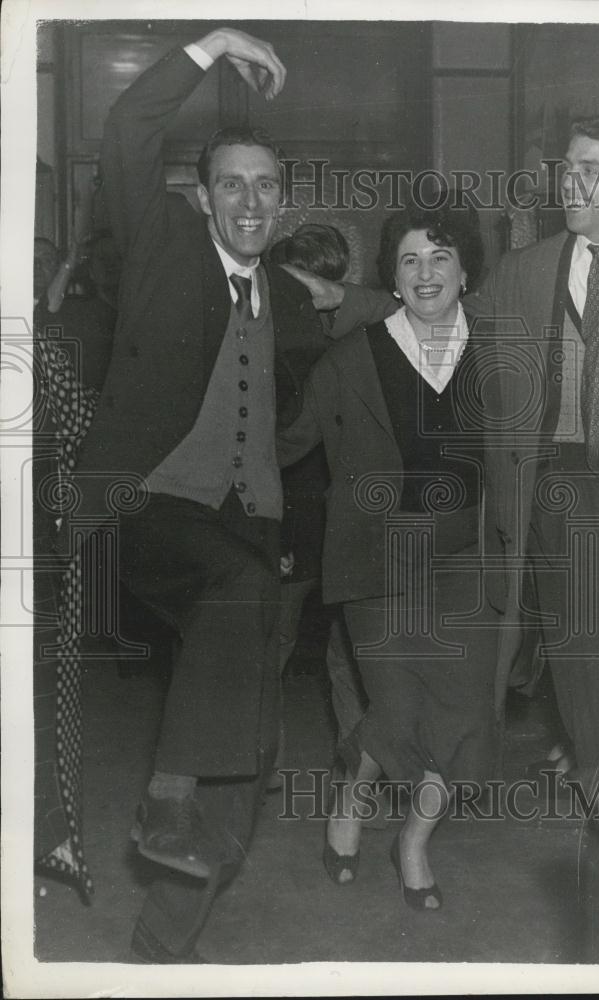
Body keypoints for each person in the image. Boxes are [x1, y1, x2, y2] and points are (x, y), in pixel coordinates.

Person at [288, 115, 599, 773]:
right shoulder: (523, 275)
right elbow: (434, 303)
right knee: (596, 716)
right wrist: (343, 298)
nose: (572, 182)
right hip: (559, 509)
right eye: (568, 167)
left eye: (593, 170)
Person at [63, 27, 327, 962]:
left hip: (241, 524)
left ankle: (162, 940)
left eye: (265, 187)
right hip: (144, 503)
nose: (249, 200)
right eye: (231, 184)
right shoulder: (162, 247)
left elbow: (355, 312)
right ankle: (167, 798)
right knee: (237, 595)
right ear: (203, 197)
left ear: (281, 204)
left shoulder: (286, 298)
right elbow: (131, 124)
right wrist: (213, 43)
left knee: (253, 748)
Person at [278, 203, 498, 910]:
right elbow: (286, 443)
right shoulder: (354, 356)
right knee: (400, 708)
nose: (426, 272)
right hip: (379, 553)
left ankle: (411, 838)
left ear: (466, 272)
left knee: (462, 714)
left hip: (469, 551)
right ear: (392, 280)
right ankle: (358, 802)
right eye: (409, 260)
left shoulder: (501, 347)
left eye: (440, 257)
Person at [267, 223, 365, 786]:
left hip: (312, 522)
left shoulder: (347, 344)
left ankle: (271, 771)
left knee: (326, 654)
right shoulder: (337, 346)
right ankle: (359, 785)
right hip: (310, 521)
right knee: (345, 657)